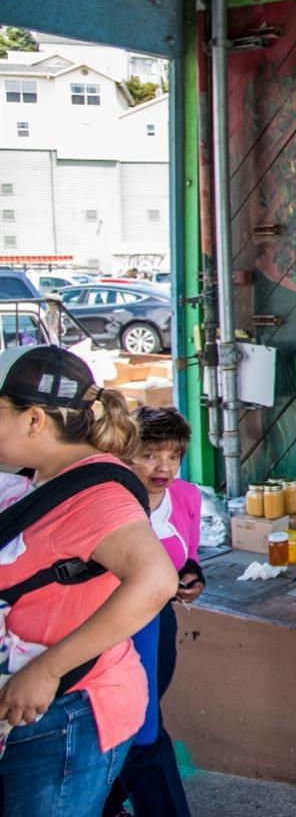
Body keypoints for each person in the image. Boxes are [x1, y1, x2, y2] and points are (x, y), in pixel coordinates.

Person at [0, 345, 178, 816]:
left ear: (35, 419)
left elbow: (156, 581)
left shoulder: (95, 495)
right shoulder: (37, 478)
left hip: (63, 717)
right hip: (32, 715)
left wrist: (47, 669)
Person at [102, 407, 201, 817]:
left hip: (158, 623)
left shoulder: (187, 497)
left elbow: (189, 556)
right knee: (142, 730)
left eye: (174, 456)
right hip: (110, 625)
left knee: (140, 720)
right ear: (127, 456)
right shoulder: (110, 500)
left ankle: (105, 804)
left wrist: (193, 578)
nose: (164, 467)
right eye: (150, 455)